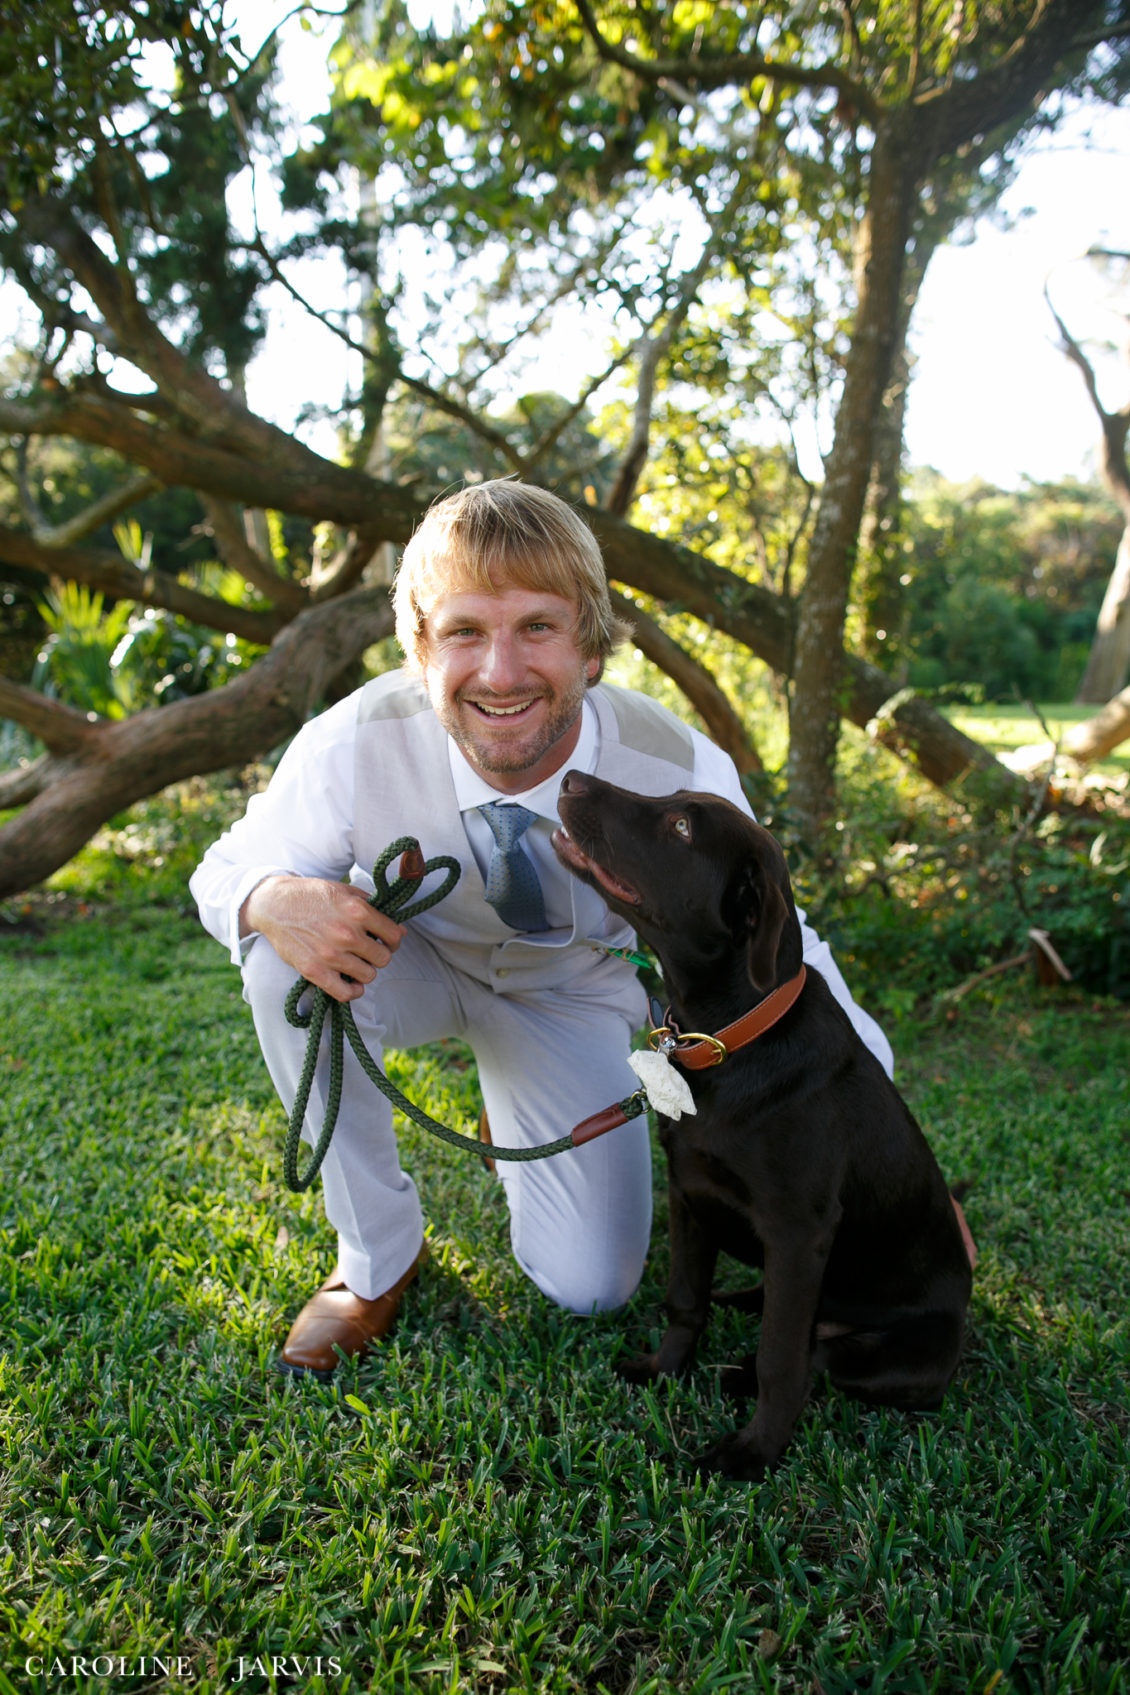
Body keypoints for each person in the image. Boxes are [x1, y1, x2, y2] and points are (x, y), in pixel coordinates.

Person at [190, 480, 892, 1378]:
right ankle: (375, 1257)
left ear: (592, 646)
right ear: (419, 647)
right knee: (280, 970)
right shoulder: (352, 741)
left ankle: (521, 1088)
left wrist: (880, 1151)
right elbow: (222, 871)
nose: (501, 671)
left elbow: (788, 950)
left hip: (572, 993)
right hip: (411, 960)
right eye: (464, 631)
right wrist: (272, 897)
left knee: (591, 1286)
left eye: (537, 626)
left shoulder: (676, 767)